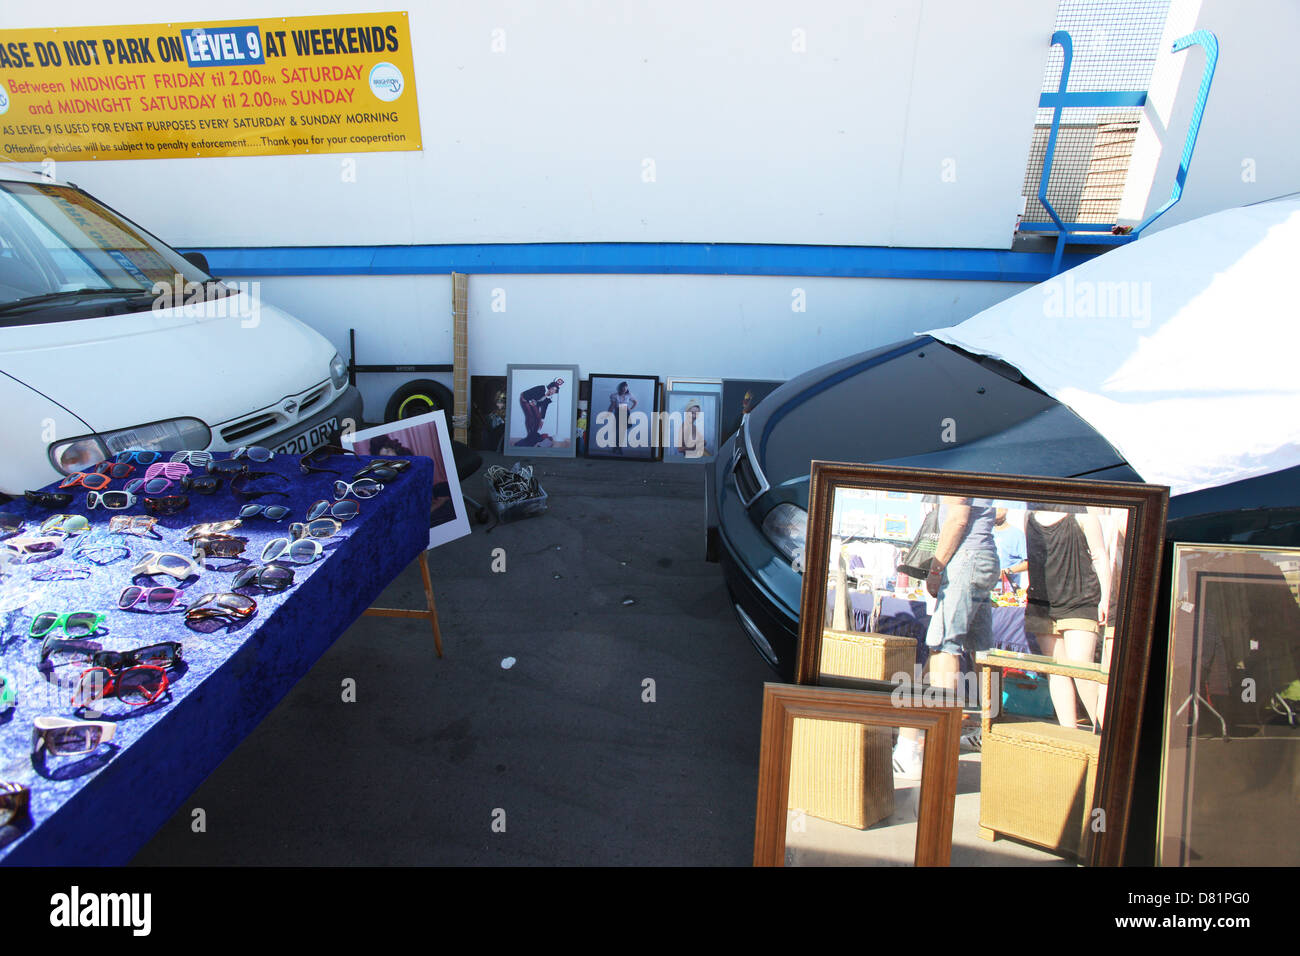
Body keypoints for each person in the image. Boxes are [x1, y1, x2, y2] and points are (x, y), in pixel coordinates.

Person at [894, 495, 998, 775]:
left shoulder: (960, 470)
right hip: (981, 554)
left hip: (965, 557)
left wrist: (936, 569)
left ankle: (937, 748)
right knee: (974, 650)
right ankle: (913, 741)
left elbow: (958, 518)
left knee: (943, 648)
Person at [1025, 506, 1112, 730]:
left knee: (1081, 668)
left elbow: (1100, 555)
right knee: (1056, 670)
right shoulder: (1030, 516)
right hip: (1042, 601)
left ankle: (1106, 734)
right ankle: (1068, 733)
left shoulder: (1082, 514)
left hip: (1080, 599)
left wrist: (1105, 599)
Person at [517, 379, 563, 447]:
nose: (553, 391)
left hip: (534, 402)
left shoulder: (549, 398)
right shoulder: (541, 388)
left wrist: (542, 420)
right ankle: (530, 436)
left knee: (538, 418)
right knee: (530, 416)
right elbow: (531, 394)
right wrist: (530, 402)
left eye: (555, 390)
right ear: (549, 387)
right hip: (525, 398)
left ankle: (534, 434)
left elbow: (544, 408)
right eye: (552, 389)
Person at [993, 508, 1028, 591]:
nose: (997, 510)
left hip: (1008, 592)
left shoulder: (1018, 534)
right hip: (984, 590)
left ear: (1006, 509)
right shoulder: (984, 533)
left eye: (1000, 507)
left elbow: (1028, 564)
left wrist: (1006, 571)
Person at [608, 381, 638, 455]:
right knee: (618, 431)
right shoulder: (615, 395)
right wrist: (609, 413)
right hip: (618, 413)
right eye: (623, 387)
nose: (624, 389)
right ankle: (617, 447)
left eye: (626, 388)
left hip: (625, 412)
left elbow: (635, 402)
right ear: (620, 388)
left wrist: (630, 408)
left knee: (622, 431)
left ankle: (617, 447)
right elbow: (612, 405)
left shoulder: (629, 395)